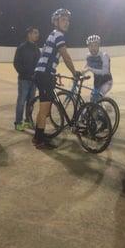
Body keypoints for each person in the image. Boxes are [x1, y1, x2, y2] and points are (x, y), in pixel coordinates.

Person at [33, 9, 80, 149]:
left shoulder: (52, 35)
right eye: (63, 20)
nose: (67, 23)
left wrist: (53, 73)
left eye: (68, 20)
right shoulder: (58, 35)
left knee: (45, 109)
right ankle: (39, 140)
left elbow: (48, 58)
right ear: (56, 21)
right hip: (44, 75)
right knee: (44, 109)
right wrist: (74, 72)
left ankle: (38, 136)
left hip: (44, 73)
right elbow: (65, 56)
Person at [13, 27, 40, 131]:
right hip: (24, 80)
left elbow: (39, 64)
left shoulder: (37, 48)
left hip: (34, 80)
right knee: (21, 102)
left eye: (38, 33)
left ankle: (28, 121)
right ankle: (18, 123)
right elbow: (16, 63)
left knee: (30, 102)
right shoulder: (21, 48)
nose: (37, 35)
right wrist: (25, 73)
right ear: (29, 34)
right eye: (35, 33)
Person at [82, 35, 113, 101]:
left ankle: (105, 108)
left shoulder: (104, 56)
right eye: (91, 46)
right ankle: (105, 107)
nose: (93, 48)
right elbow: (86, 66)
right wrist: (81, 74)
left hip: (106, 82)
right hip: (97, 83)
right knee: (92, 99)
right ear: (88, 47)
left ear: (99, 46)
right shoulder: (89, 56)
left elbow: (105, 71)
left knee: (98, 97)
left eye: (95, 45)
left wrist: (90, 69)